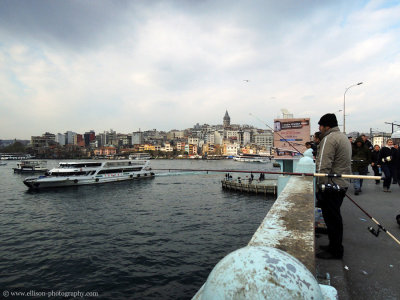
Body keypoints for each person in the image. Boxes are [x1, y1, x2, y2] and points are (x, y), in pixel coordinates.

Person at [316, 113, 351, 260]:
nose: (319, 128)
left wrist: (320, 186)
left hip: (332, 186)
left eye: (320, 126)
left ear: (326, 126)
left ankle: (336, 251)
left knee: (332, 219)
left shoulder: (329, 139)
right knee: (333, 217)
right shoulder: (343, 137)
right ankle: (333, 246)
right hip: (342, 184)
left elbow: (323, 166)